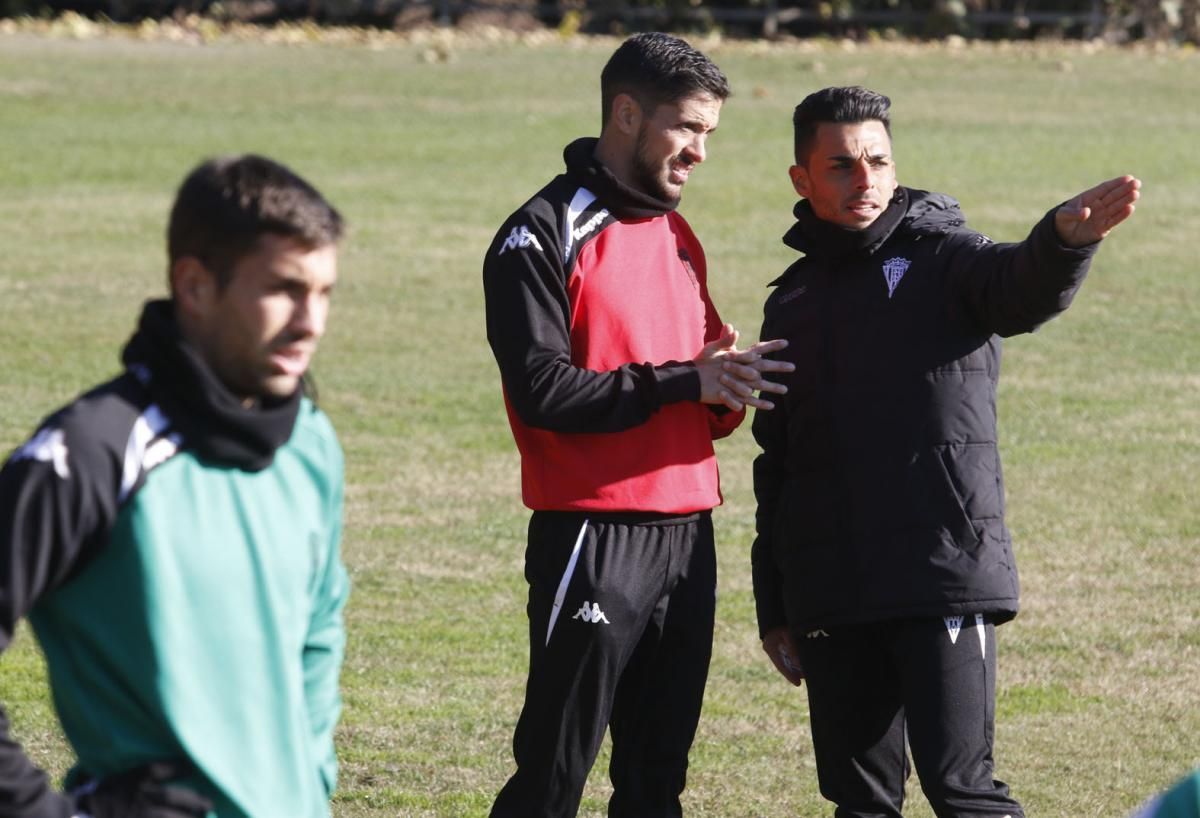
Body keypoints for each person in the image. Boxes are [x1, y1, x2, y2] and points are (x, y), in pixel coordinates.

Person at [751, 85, 1140, 817]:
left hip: (942, 577)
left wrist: (1062, 244)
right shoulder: (792, 299)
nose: (864, 179)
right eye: (840, 165)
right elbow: (776, 461)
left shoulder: (946, 259)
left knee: (964, 793)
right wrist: (777, 602)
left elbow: (1018, 288)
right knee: (860, 803)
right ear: (802, 179)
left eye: (877, 161)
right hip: (833, 591)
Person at [483, 32, 793, 818]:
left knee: (657, 781)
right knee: (553, 774)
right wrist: (687, 378)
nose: (699, 152)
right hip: (594, 537)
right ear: (626, 113)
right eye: (687, 128)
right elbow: (543, 391)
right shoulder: (539, 234)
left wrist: (726, 384)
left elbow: (701, 390)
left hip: (688, 538)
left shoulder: (677, 236)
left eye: (709, 135)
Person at [0, 154, 350, 818]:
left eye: (325, 292)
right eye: (284, 288)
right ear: (193, 285)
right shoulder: (92, 453)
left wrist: (309, 779)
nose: (313, 323)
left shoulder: (310, 441)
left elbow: (319, 628)